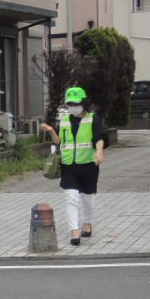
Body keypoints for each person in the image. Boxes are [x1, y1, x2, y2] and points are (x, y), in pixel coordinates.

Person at [42, 86, 107, 246]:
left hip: (88, 164)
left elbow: (99, 138)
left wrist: (99, 152)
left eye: (75, 104)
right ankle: (74, 231)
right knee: (70, 197)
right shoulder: (64, 121)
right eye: (69, 104)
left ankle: (87, 222)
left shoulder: (93, 119)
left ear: (84, 103)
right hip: (68, 165)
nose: (72, 107)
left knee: (88, 197)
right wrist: (51, 131)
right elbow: (59, 142)